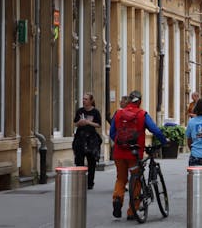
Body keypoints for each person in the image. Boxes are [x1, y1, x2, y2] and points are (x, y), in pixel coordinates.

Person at [110, 90, 168, 220]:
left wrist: (121, 144)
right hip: (134, 153)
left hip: (119, 152)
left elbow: (112, 133)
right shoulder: (142, 114)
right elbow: (155, 130)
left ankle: (117, 199)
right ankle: (132, 210)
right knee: (136, 180)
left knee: (121, 178)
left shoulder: (118, 113)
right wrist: (164, 141)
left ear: (129, 101)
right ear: (140, 101)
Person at [72, 93, 102, 189]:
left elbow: (98, 125)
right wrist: (79, 123)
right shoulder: (80, 111)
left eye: (86, 99)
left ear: (91, 101)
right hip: (80, 138)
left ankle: (90, 182)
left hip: (91, 139)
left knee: (91, 162)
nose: (84, 100)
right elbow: (75, 123)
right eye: (83, 99)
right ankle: (79, 181)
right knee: (79, 161)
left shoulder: (95, 112)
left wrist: (88, 122)